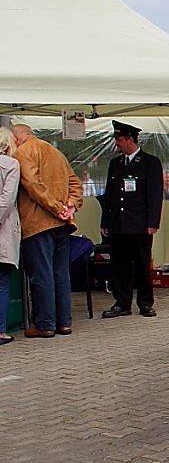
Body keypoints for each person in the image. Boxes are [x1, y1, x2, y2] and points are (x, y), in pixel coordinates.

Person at [12, 124, 82, 338]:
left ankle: (45, 324)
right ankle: (64, 322)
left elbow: (32, 185)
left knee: (41, 275)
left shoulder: (22, 152)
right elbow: (74, 182)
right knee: (60, 274)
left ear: (17, 138)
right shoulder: (55, 151)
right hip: (63, 223)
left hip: (37, 223)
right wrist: (71, 204)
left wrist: (54, 207)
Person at [100, 121, 163, 318]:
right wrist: (105, 221)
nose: (117, 144)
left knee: (142, 264)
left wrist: (153, 222)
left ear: (129, 139)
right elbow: (109, 195)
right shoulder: (115, 164)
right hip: (118, 223)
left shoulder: (149, 162)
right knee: (119, 265)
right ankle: (122, 303)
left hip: (139, 224)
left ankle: (145, 302)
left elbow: (154, 195)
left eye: (119, 140)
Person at [0, 128, 21, 345]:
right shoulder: (11, 164)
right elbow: (7, 198)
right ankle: (0, 331)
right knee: (2, 282)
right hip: (3, 229)